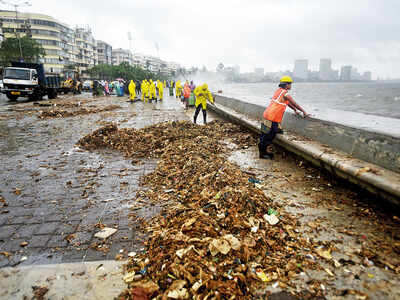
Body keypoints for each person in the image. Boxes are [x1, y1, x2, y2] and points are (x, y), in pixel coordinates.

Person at [259, 75, 309, 159]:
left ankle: (263, 152)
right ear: (286, 85)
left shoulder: (279, 91)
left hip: (268, 115)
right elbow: (294, 103)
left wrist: (294, 110)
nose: (291, 86)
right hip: (272, 117)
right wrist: (304, 111)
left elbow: (288, 103)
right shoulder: (286, 94)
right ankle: (263, 153)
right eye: (290, 84)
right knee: (269, 135)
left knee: (266, 133)